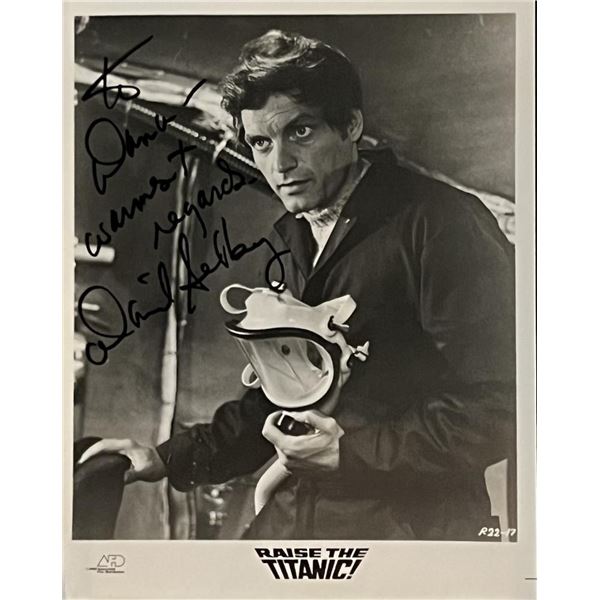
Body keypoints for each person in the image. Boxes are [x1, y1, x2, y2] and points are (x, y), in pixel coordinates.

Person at [79, 30, 515, 540]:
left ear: (350, 125)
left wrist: (351, 454)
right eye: (261, 143)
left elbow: (508, 401)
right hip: (299, 519)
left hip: (411, 534)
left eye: (300, 132)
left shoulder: (440, 223)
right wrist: (165, 457)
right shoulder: (293, 235)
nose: (279, 163)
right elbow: (285, 393)